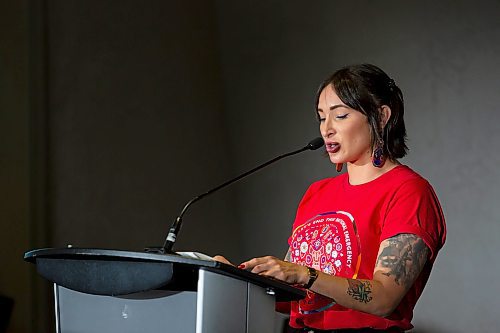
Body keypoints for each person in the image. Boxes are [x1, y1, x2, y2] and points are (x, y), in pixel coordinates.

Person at [216, 64, 446, 332]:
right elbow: (293, 294)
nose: (326, 129)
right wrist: (235, 277)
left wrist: (304, 274)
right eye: (321, 117)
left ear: (381, 116)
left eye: (340, 116)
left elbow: (383, 298)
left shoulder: (408, 191)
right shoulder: (317, 193)